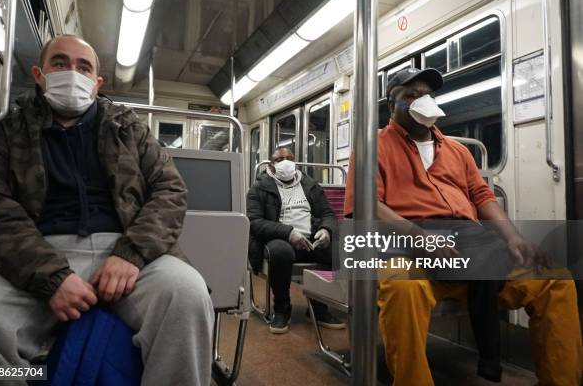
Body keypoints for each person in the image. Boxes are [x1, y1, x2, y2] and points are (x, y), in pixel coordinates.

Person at [0, 35, 214, 386]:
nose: (72, 72)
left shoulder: (128, 127)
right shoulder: (11, 131)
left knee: (187, 295)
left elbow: (170, 190)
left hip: (123, 249)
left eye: (83, 67)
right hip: (39, 250)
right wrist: (51, 275)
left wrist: (131, 254)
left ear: (97, 83)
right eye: (60, 63)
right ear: (39, 75)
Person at [344, 67, 582, 385]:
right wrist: (421, 238)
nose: (421, 100)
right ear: (392, 107)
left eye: (427, 94)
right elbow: (366, 205)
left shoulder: (458, 152)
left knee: (555, 280)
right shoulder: (372, 147)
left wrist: (513, 238)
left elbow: (483, 197)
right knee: (403, 288)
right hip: (407, 243)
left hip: (470, 248)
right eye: (411, 96)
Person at [247, 147, 345, 333]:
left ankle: (318, 305)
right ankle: (282, 307)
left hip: (310, 237)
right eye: (279, 159)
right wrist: (289, 233)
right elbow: (255, 223)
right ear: (271, 164)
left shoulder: (309, 184)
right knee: (280, 253)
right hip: (278, 238)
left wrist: (325, 230)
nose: (285, 161)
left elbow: (328, 214)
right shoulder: (259, 187)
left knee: (336, 250)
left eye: (289, 158)